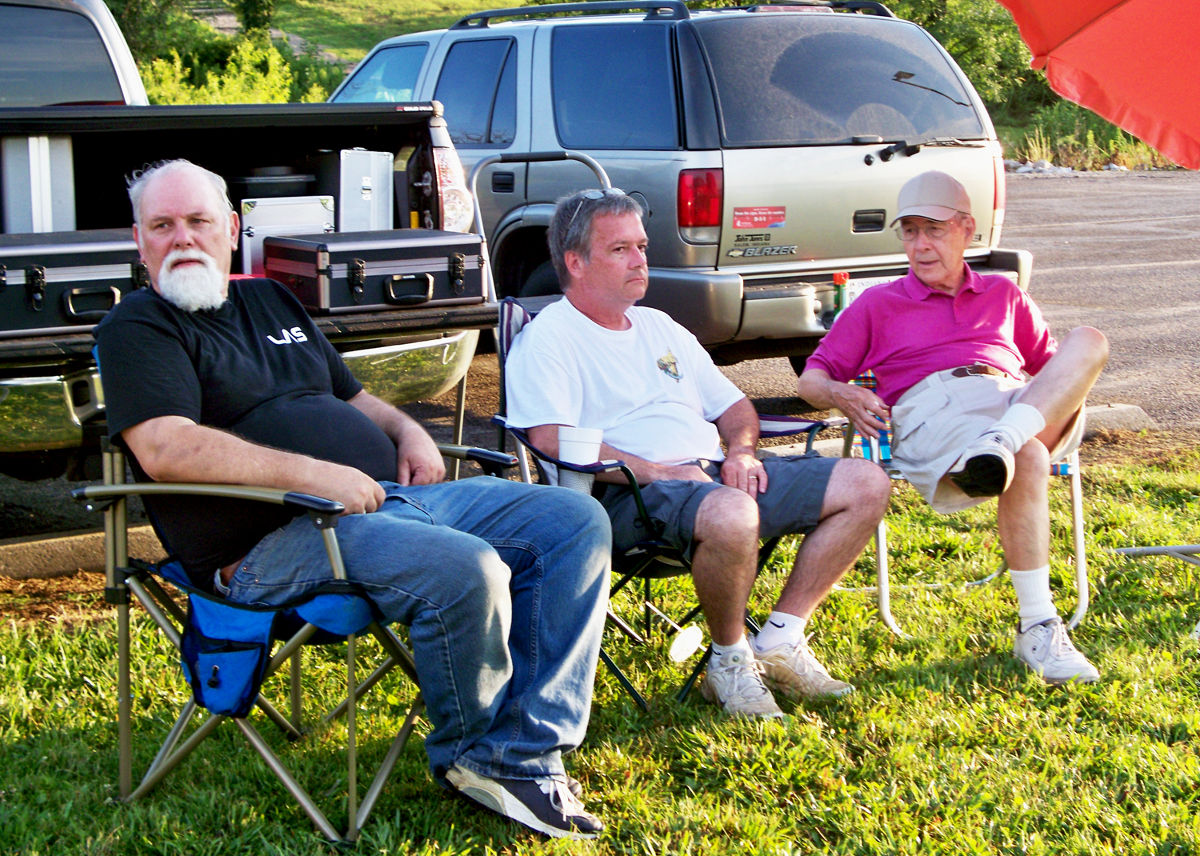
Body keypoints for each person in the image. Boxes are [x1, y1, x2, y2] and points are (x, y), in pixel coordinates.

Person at [93, 159, 613, 840]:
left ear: (232, 228)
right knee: (467, 568)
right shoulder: (138, 327)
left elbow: (354, 398)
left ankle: (522, 747)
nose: (183, 237)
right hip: (275, 545)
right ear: (139, 241)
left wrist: (408, 432)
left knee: (573, 520)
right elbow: (167, 448)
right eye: (162, 225)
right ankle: (479, 757)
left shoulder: (269, 300)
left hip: (387, 504)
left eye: (198, 221)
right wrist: (316, 476)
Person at [505, 188, 891, 719]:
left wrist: (743, 452)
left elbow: (734, 407)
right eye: (620, 249)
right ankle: (729, 663)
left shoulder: (660, 326)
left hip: (715, 479)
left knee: (866, 483)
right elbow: (551, 438)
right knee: (733, 513)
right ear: (575, 262)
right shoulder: (550, 338)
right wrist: (659, 471)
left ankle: (780, 639)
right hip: (625, 497)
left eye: (641, 246)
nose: (640, 260)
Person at [797, 169, 1109, 684]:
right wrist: (841, 393)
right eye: (910, 231)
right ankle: (1038, 626)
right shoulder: (878, 303)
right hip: (937, 409)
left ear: (967, 228)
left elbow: (1054, 369)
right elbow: (811, 379)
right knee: (1028, 454)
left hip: (1013, 402)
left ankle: (1001, 440)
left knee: (1090, 340)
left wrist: (1027, 406)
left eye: (934, 230)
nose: (920, 245)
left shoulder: (1004, 294)